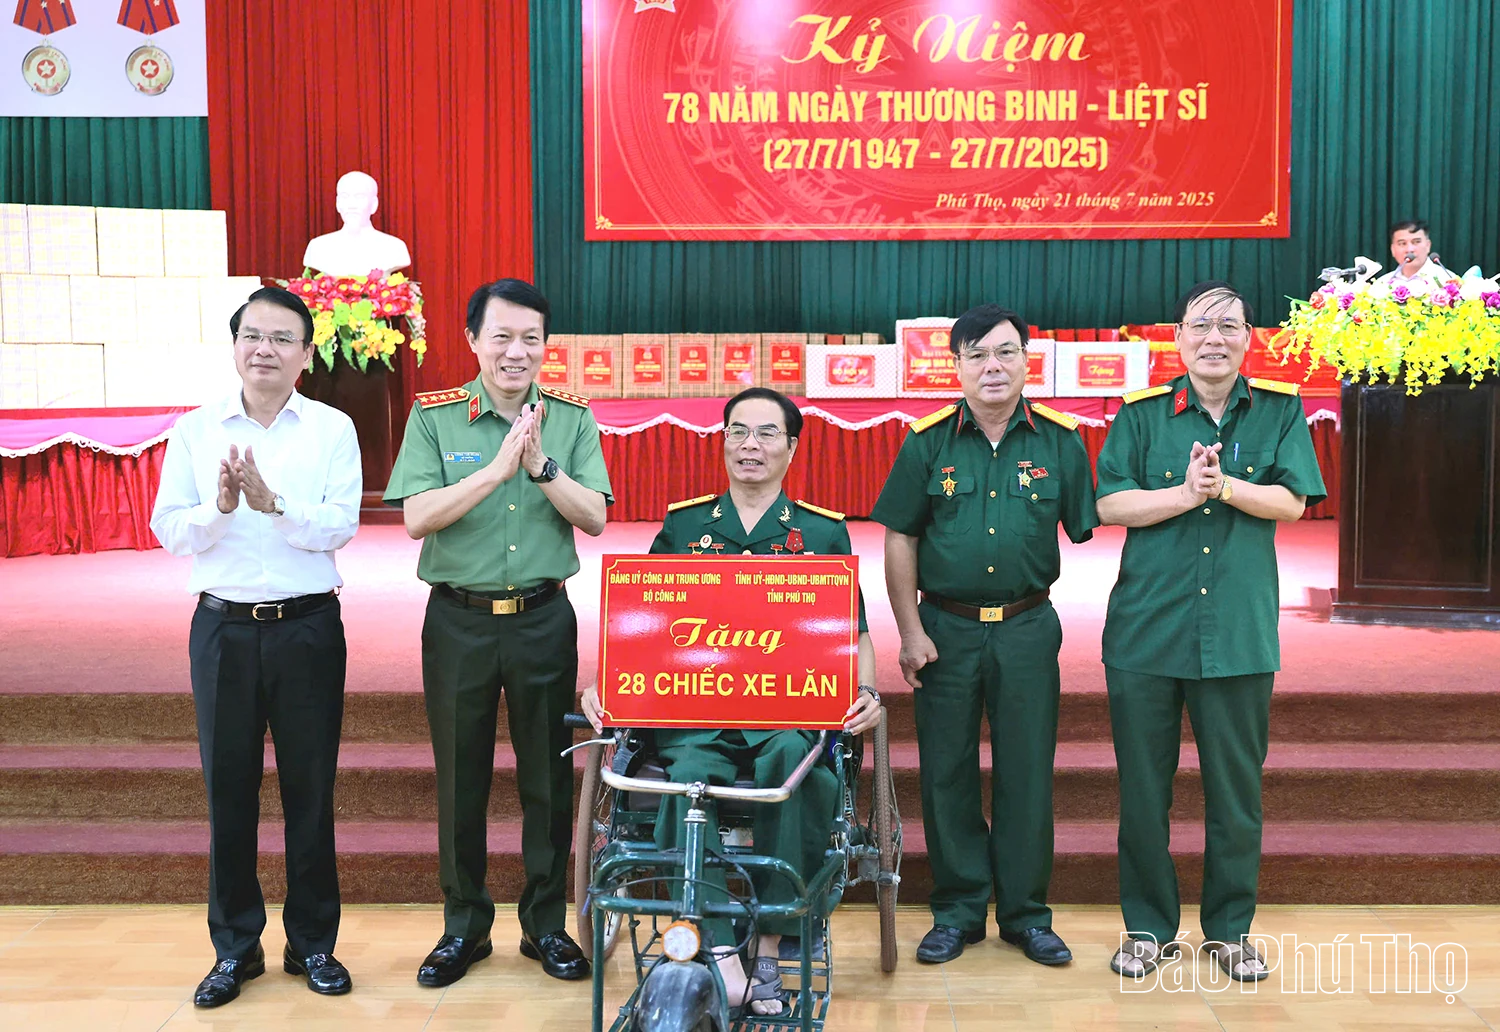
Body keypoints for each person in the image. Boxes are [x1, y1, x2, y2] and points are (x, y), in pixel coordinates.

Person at [582, 386, 880, 1017]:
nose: (751, 445)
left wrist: (868, 693)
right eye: (739, 431)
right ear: (722, 441)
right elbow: (647, 620)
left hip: (784, 715)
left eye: (767, 433)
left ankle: (769, 945)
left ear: (792, 447)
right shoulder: (687, 526)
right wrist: (607, 680)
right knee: (687, 778)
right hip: (698, 713)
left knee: (793, 769)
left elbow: (852, 635)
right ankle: (718, 948)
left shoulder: (822, 531)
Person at [383, 278, 613, 986]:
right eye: (502, 337)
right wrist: (494, 471)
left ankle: (544, 926)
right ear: (473, 340)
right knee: (462, 777)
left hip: (543, 618)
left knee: (547, 775)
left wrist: (540, 465)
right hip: (459, 621)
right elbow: (417, 518)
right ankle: (464, 927)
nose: (517, 352)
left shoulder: (571, 419)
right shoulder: (435, 417)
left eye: (531, 339)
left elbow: (595, 517)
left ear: (547, 345)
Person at [1095, 281, 1326, 982]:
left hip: (1237, 633)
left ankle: (1229, 931)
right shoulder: (1140, 417)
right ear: (1178, 337)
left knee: (1235, 793)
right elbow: (1110, 503)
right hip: (1145, 632)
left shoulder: (1281, 411)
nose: (1214, 338)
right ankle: (1146, 928)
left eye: (1229, 326)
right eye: (1201, 325)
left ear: (1249, 338)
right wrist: (1184, 493)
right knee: (1142, 790)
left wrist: (1223, 487)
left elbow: (1290, 501)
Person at [150, 286, 362, 1007]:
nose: (264, 349)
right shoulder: (196, 429)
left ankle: (313, 947)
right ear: (235, 345)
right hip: (224, 630)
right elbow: (170, 529)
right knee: (228, 793)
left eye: (281, 338)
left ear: (307, 354)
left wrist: (275, 505)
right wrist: (223, 508)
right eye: (252, 336)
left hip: (307, 627)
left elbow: (339, 525)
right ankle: (234, 950)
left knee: (311, 792)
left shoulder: (333, 428)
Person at [869, 304, 1097, 966]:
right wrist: (910, 632)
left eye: (1004, 353)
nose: (992, 366)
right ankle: (958, 910)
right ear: (958, 367)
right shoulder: (928, 441)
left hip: (1028, 627)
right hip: (945, 629)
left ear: (1027, 361)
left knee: (1027, 773)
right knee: (947, 774)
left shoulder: (1061, 441)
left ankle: (1026, 914)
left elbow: (1092, 519)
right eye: (977, 356)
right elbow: (900, 535)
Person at [1374, 219, 1452, 294]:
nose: (1410, 249)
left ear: (1428, 246)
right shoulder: (1382, 284)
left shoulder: (1447, 280)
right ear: (1393, 250)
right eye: (1402, 243)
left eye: (1416, 242)